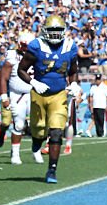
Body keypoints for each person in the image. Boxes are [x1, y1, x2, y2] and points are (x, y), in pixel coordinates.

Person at [16, 15, 79, 184]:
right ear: (45, 31)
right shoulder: (37, 46)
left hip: (59, 94)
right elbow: (21, 70)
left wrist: (73, 84)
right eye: (52, 31)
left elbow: (73, 70)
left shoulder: (70, 47)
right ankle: (36, 141)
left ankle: (52, 169)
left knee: (57, 132)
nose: (55, 34)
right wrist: (33, 82)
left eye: (58, 31)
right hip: (38, 94)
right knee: (38, 130)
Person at [0, 31, 35, 164]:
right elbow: (2, 79)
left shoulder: (37, 55)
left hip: (32, 93)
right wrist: (4, 97)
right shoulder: (12, 55)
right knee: (14, 124)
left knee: (38, 125)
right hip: (14, 94)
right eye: (25, 47)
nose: (27, 50)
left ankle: (36, 150)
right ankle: (14, 153)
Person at [88, 73, 107, 138]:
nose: (98, 81)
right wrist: (91, 105)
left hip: (102, 105)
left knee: (101, 120)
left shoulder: (104, 87)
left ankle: (102, 133)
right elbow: (91, 97)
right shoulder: (93, 87)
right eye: (97, 80)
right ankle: (98, 133)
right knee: (96, 120)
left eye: (99, 79)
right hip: (95, 105)